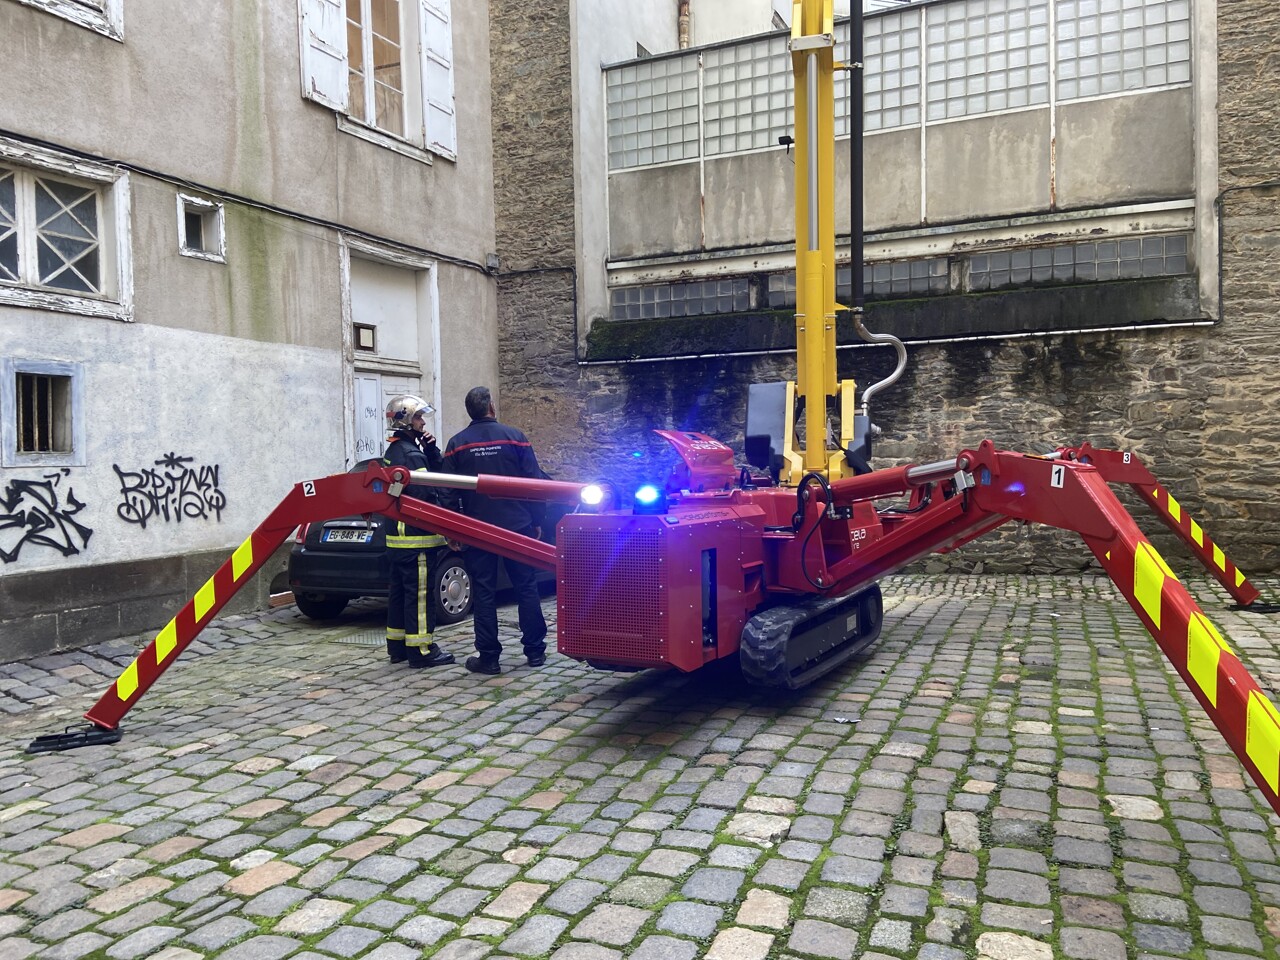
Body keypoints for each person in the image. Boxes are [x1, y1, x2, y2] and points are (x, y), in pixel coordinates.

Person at [441, 386, 547, 675]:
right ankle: (535, 651)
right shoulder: (516, 438)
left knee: (484, 593)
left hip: (477, 529)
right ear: (491, 407)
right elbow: (535, 483)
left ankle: (488, 657)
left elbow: (447, 492)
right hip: (517, 526)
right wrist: (538, 520)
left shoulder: (457, 444)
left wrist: (453, 530)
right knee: (526, 586)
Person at [381, 394, 455, 669]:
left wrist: (431, 451)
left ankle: (398, 647)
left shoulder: (396, 451)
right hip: (416, 540)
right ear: (405, 421)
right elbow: (427, 491)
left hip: (397, 540)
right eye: (418, 417)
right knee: (421, 596)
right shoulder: (412, 455)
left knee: (400, 594)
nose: (423, 422)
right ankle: (422, 650)